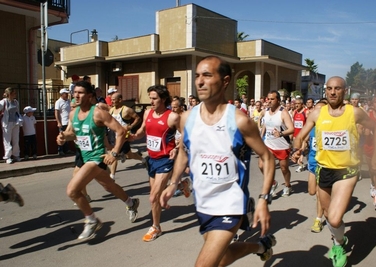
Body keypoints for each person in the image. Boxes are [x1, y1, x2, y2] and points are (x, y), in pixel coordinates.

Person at [160, 56, 276, 266]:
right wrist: (173, 183)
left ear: (224, 81)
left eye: (207, 75)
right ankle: (261, 246)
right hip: (203, 201)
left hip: (230, 203)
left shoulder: (240, 120)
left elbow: (268, 158)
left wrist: (263, 199)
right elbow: (184, 151)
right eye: (197, 76)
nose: (199, 81)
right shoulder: (187, 118)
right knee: (221, 259)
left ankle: (260, 245)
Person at [292, 76, 376, 267]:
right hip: (324, 169)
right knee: (327, 214)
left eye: (337, 89)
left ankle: (338, 245)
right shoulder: (317, 113)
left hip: (347, 171)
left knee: (334, 217)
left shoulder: (355, 112)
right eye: (330, 88)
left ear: (345, 90)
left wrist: (374, 158)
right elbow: (299, 136)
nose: (333, 92)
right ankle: (339, 239)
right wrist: (297, 149)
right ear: (326, 90)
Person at [56, 81, 140, 241]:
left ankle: (92, 220)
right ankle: (131, 202)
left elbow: (121, 131)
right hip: (85, 156)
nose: (76, 96)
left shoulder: (98, 113)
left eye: (80, 93)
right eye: (75, 93)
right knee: (110, 187)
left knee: (72, 190)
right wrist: (63, 138)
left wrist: (114, 153)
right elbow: (73, 134)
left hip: (97, 158)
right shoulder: (74, 114)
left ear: (90, 96)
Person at [131, 84, 186, 242]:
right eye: (150, 98)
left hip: (165, 160)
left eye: (154, 98)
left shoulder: (172, 117)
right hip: (152, 159)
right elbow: (143, 130)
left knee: (153, 196)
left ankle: (156, 227)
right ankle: (183, 185)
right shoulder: (147, 112)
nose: (151, 101)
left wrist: (176, 147)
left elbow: (185, 134)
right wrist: (132, 136)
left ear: (163, 99)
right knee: (153, 195)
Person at [298, 99, 328, 233]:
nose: (318, 111)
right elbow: (304, 139)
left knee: (319, 194)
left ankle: (318, 219)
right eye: (317, 109)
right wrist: (300, 153)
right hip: (312, 161)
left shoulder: (329, 125)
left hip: (325, 163)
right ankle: (327, 201)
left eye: (321, 109)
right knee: (311, 191)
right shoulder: (311, 125)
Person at [260, 90, 294, 197]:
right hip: (268, 144)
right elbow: (265, 125)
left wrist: (280, 133)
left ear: (278, 100)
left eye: (272, 99)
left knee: (284, 168)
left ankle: (288, 185)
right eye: (268, 99)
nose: (269, 101)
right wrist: (260, 138)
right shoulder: (266, 111)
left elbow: (291, 129)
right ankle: (273, 183)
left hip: (282, 145)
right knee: (261, 165)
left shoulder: (283, 112)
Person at [108, 93, 143, 179]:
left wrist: (130, 126)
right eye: (111, 99)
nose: (112, 101)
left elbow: (138, 118)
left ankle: (112, 176)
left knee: (114, 154)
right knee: (129, 155)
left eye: (113, 99)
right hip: (113, 136)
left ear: (120, 100)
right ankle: (143, 160)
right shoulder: (111, 110)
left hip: (123, 136)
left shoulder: (126, 110)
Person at [0, 87, 22, 164]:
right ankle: (8, 157)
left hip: (15, 122)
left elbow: (17, 111)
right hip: (7, 123)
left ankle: (16, 155)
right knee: (7, 140)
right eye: (14, 93)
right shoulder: (4, 102)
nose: (15, 94)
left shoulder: (16, 102)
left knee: (16, 140)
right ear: (9, 94)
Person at [292, 98, 308, 172]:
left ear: (302, 104)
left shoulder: (306, 112)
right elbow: (293, 124)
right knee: (297, 151)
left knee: (302, 151)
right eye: (295, 103)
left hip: (303, 136)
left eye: (298, 103)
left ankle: (302, 164)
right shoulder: (294, 112)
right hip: (296, 136)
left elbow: (309, 124)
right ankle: (301, 164)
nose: (296, 105)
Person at [55, 88, 71, 156]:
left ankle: (67, 150)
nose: (67, 95)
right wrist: (58, 122)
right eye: (65, 93)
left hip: (69, 122)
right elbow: (57, 112)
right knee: (62, 136)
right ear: (62, 94)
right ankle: (60, 150)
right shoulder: (58, 102)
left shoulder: (68, 101)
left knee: (67, 136)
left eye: (67, 93)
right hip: (63, 122)